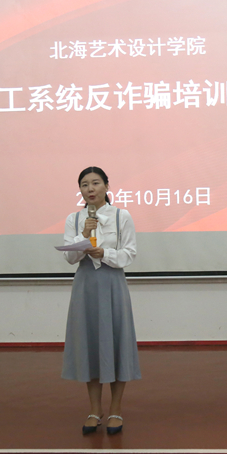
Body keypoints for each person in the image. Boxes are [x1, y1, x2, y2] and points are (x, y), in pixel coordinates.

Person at [61, 166, 140, 435]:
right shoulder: (74, 219)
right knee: (91, 345)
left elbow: (129, 253)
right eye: (84, 185)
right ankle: (95, 409)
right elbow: (70, 257)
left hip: (112, 283)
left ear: (107, 186)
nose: (90, 189)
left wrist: (104, 253)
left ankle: (116, 409)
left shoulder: (121, 216)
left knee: (116, 344)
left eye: (95, 183)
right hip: (86, 286)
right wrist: (84, 236)